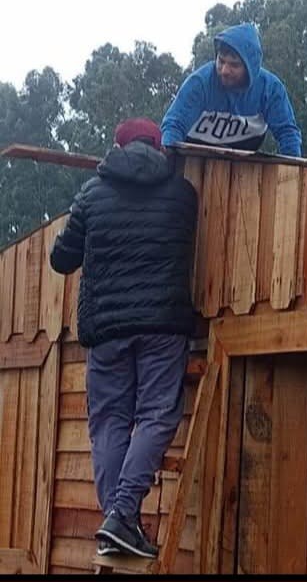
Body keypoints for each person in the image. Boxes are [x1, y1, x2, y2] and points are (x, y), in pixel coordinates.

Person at [50, 118, 198, 559]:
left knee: (110, 422)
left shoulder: (93, 194)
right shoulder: (183, 194)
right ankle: (122, 517)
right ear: (160, 148)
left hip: (107, 330)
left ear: (116, 147)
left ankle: (119, 517)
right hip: (162, 326)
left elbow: (61, 259)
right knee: (156, 415)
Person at [161, 22, 302, 156]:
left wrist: (294, 174)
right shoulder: (199, 83)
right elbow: (174, 125)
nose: (224, 70)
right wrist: (168, 159)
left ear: (250, 68)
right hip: (193, 162)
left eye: (234, 65)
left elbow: (287, 134)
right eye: (221, 61)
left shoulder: (270, 89)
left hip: (244, 168)